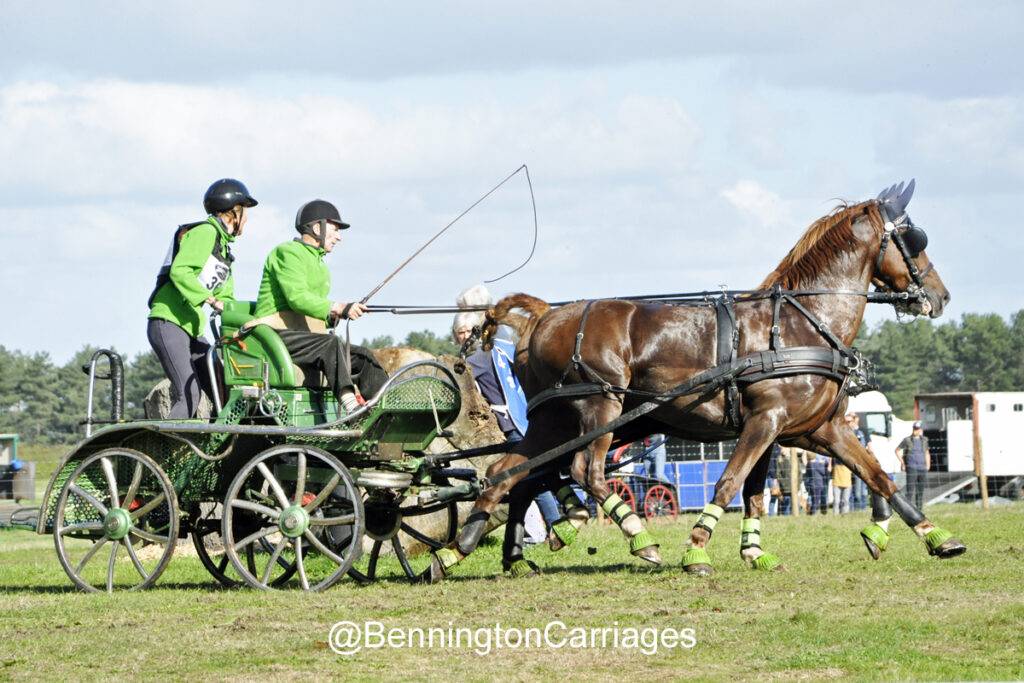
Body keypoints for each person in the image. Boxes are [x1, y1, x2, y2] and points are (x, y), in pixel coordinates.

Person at [453, 285, 583, 547]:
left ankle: (557, 518)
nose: (463, 336)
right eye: (459, 333)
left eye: (466, 331)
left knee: (532, 473)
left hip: (511, 421)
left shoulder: (475, 361)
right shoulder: (503, 348)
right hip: (522, 418)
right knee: (534, 473)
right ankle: (548, 523)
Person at [252, 199, 387, 412]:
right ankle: (352, 407)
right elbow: (297, 298)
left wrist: (333, 316)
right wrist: (338, 307)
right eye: (335, 230)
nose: (339, 237)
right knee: (331, 344)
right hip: (276, 335)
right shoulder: (287, 252)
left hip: (306, 339)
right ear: (317, 228)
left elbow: (315, 310)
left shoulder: (320, 265)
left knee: (364, 357)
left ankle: (386, 409)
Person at [148, 178, 257, 418]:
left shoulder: (224, 250)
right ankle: (168, 443)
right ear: (234, 212)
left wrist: (254, 318)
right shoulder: (206, 232)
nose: (247, 220)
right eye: (245, 212)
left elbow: (226, 299)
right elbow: (180, 271)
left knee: (224, 391)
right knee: (190, 395)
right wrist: (210, 299)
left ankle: (220, 440)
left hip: (192, 328)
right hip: (169, 322)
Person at [896, 421, 931, 510]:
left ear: (921, 430)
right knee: (910, 490)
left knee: (920, 490)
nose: (916, 431)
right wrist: (902, 462)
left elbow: (927, 453)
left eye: (917, 429)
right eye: (915, 429)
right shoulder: (907, 440)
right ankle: (907, 509)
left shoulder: (924, 440)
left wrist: (928, 464)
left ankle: (919, 509)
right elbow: (897, 450)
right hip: (911, 467)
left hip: (922, 468)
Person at [846, 412, 871, 511]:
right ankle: (853, 509)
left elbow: (868, 447)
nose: (847, 423)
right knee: (852, 489)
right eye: (846, 421)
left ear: (855, 420)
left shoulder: (862, 432)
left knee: (861, 489)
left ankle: (862, 508)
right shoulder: (845, 433)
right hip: (849, 463)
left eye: (849, 421)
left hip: (861, 463)